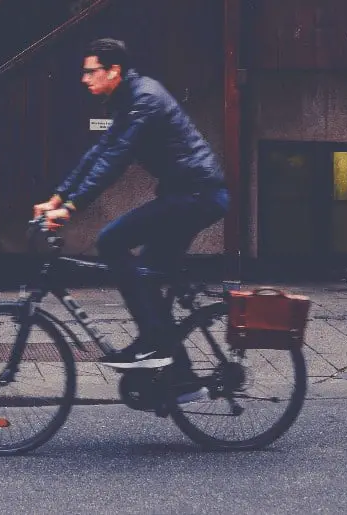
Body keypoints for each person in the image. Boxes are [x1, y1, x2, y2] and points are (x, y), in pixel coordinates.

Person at [33, 38, 229, 400]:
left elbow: (114, 160)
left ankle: (153, 342)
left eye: (90, 71)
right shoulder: (129, 99)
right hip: (184, 195)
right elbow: (99, 151)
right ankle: (180, 378)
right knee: (147, 276)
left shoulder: (144, 99)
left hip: (197, 196)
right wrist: (58, 197)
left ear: (114, 71)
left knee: (112, 240)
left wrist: (71, 208)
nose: (84, 79)